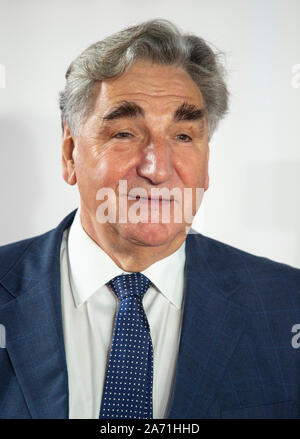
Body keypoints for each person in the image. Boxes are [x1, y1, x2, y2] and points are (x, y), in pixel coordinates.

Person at [0, 18, 299, 420]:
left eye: (183, 136)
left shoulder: (287, 305)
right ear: (70, 154)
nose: (158, 168)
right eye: (124, 133)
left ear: (207, 162)